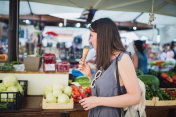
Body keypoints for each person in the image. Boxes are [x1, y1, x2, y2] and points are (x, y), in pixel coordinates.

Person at [78, 18, 141, 117]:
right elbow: (105, 89)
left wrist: (98, 101)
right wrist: (90, 75)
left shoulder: (123, 59)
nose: (90, 40)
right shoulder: (106, 58)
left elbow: (135, 97)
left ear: (102, 36)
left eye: (92, 36)